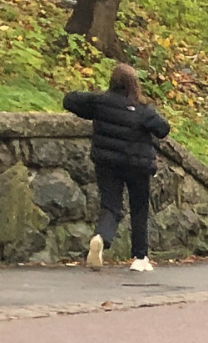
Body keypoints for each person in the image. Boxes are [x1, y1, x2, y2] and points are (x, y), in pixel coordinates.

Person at [64, 64, 170, 272]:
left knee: (111, 206)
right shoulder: (142, 109)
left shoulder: (100, 103)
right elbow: (163, 129)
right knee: (139, 209)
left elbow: (70, 100)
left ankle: (101, 237)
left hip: (107, 163)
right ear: (134, 84)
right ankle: (140, 258)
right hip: (137, 165)